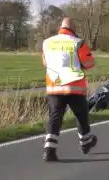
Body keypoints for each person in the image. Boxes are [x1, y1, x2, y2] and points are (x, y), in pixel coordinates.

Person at [42, 17, 98, 162]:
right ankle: (85, 143)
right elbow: (89, 63)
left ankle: (49, 150)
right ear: (73, 28)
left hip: (55, 86)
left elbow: (44, 62)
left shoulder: (47, 43)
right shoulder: (78, 42)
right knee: (81, 115)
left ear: (61, 27)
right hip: (74, 86)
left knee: (55, 117)